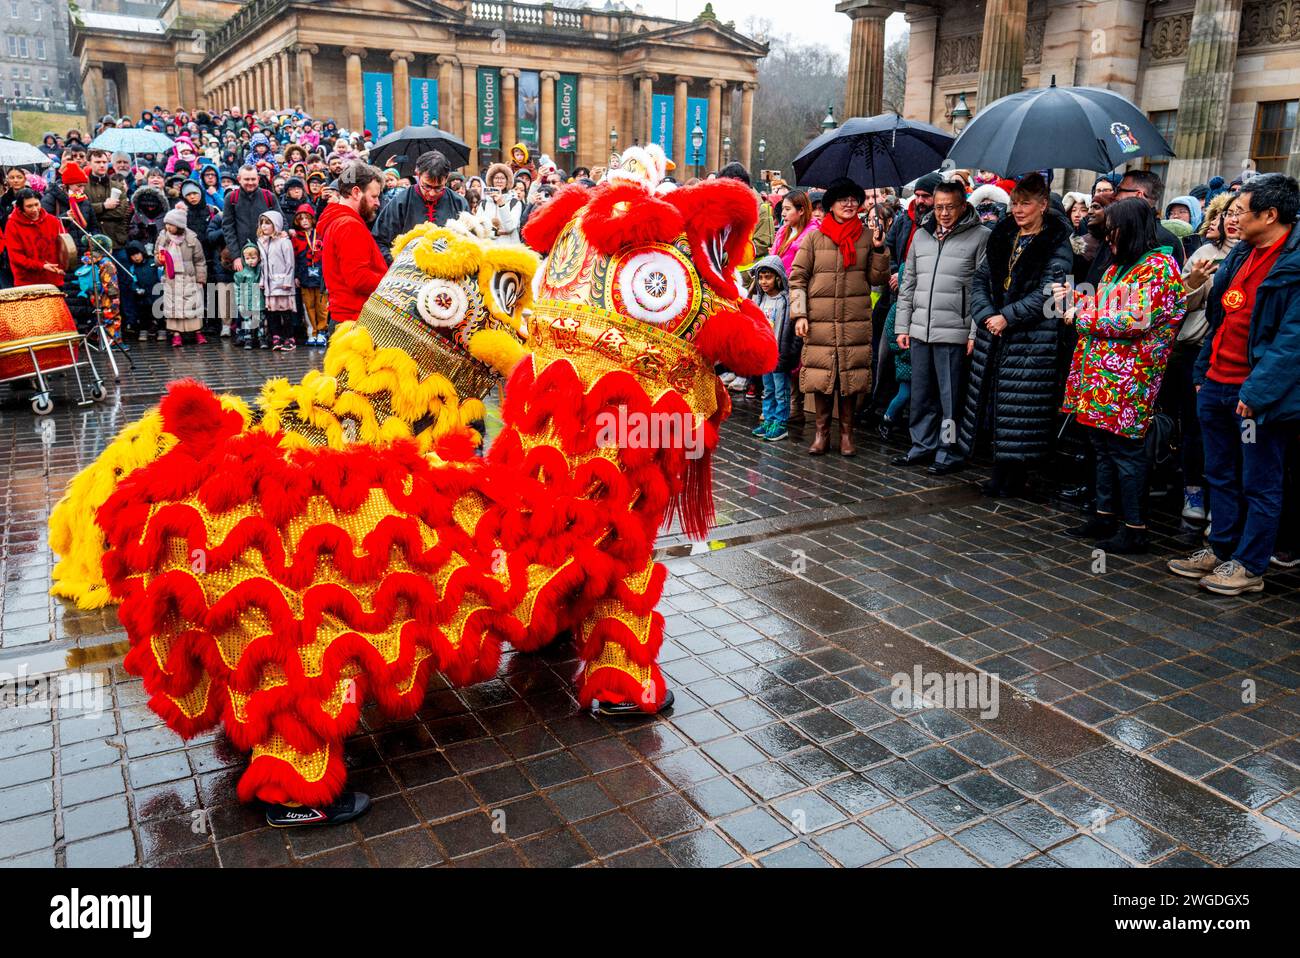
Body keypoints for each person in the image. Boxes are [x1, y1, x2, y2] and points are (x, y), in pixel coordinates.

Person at [1169, 174, 1300, 595]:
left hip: (1257, 395)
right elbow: (1220, 317)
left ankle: (1250, 563)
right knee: (1219, 473)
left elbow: (1291, 341)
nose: (1233, 218)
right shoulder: (1241, 254)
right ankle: (1220, 547)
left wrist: (1256, 393)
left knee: (1260, 480)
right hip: (1215, 382)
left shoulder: (1293, 263)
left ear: (1270, 214)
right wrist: (1202, 372)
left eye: (1241, 210)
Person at [1058, 198, 1186, 554]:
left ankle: (1135, 529)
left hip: (1129, 381)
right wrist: (1074, 300)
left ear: (1129, 228)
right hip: (1098, 378)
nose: (1107, 235)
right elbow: (1099, 307)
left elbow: (1133, 320)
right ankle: (1103, 515)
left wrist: (1080, 317)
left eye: (1112, 228)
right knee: (1101, 448)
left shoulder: (1158, 267)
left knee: (1126, 454)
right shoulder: (1119, 268)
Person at [956, 172, 1074, 497]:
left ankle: (1017, 475)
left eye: (1026, 204)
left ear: (1043, 205)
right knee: (995, 401)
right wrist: (986, 315)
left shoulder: (1056, 242)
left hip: (1031, 338)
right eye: (1016, 203)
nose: (1019, 210)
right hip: (993, 332)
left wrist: (1007, 316)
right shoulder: (1002, 235)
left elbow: (1051, 292)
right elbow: (980, 279)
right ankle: (999, 472)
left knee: (1021, 407)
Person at [893, 180, 989, 474]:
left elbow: (981, 289)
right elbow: (908, 284)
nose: (944, 213)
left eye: (950, 207)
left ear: (963, 206)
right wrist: (902, 326)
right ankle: (921, 445)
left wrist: (974, 332)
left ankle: (948, 451)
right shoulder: (921, 236)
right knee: (921, 395)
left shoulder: (980, 236)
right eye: (938, 207)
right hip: (921, 328)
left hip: (955, 331)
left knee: (951, 400)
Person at [789, 177, 889, 457]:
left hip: (853, 320)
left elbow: (877, 279)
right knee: (822, 377)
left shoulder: (868, 237)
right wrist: (799, 315)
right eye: (843, 199)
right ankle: (821, 433)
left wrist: (880, 249)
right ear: (831, 205)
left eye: (854, 200)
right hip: (819, 320)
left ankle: (847, 433)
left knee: (849, 379)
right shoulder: (814, 237)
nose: (849, 204)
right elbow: (797, 278)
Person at [1167, 192, 1238, 524]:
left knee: (1231, 434)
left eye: (1241, 213)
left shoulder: (1261, 257)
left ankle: (1222, 503)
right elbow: (1178, 302)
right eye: (1229, 213)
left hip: (1236, 356)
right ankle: (1192, 489)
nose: (1235, 219)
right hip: (1194, 351)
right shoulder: (1204, 253)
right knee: (1194, 426)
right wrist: (1194, 281)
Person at [319, 161, 387, 325]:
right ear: (356, 192)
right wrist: (392, 283)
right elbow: (359, 278)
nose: (377, 203)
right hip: (355, 320)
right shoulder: (349, 225)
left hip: (347, 318)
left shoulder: (339, 221)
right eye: (374, 196)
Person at [372, 150, 468, 259]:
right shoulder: (400, 202)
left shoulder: (459, 203)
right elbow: (379, 241)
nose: (432, 193)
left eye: (438, 188)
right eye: (427, 186)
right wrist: (398, 264)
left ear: (446, 178)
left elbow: (470, 243)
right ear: (418, 174)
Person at [747, 254, 797, 441]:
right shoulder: (760, 300)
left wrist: (789, 353)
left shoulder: (785, 300)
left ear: (778, 277)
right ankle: (768, 419)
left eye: (768, 277)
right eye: (761, 277)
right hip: (765, 354)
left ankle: (781, 423)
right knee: (767, 389)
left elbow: (791, 330)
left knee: (780, 389)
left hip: (780, 354)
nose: (763, 281)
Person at [1115, 170, 1187, 268]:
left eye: (1119, 190)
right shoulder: (1120, 229)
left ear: (1138, 195)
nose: (1114, 196)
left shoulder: (1165, 241)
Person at [157, 208, 207, 347]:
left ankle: (197, 332)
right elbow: (156, 257)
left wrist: (200, 278)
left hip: (189, 277)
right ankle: (176, 334)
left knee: (193, 305)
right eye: (166, 224)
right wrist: (160, 259)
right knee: (173, 306)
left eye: (171, 225)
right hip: (171, 278)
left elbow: (199, 260)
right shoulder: (163, 239)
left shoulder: (192, 240)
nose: (167, 227)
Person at [4, 188, 66, 287]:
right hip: (27, 282)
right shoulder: (12, 225)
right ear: (20, 207)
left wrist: (63, 265)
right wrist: (42, 266)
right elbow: (16, 257)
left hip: (53, 278)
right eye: (29, 206)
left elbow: (63, 246)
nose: (35, 209)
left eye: (37, 204)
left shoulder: (53, 220)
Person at [255, 210, 298, 351]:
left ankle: (289, 337)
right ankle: (276, 336)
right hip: (269, 285)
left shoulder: (284, 242)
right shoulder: (261, 242)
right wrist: (262, 280)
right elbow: (263, 265)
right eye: (262, 223)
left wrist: (287, 281)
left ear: (276, 224)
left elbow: (290, 263)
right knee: (272, 312)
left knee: (285, 312)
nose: (264, 226)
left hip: (282, 284)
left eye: (268, 223)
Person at [222, 165, 277, 271]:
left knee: (265, 286)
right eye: (246, 179)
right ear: (239, 179)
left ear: (258, 179)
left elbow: (280, 221)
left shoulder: (269, 196)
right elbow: (228, 228)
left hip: (266, 253)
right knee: (245, 286)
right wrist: (236, 256)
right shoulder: (231, 198)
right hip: (243, 255)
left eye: (253, 179)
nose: (250, 182)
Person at [292, 204, 329, 345]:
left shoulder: (320, 234)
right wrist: (296, 275)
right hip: (304, 277)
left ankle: (322, 331)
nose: (305, 221)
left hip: (320, 278)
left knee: (322, 306)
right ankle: (312, 332)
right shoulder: (296, 238)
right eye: (301, 219)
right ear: (298, 221)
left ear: (312, 219)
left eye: (307, 218)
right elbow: (294, 258)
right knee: (308, 306)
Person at [85, 149, 131, 251]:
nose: (102, 165)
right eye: (97, 162)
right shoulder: (83, 187)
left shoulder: (118, 186)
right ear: (89, 164)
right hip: (92, 241)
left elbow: (121, 212)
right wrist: (103, 206)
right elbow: (83, 211)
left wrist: (95, 213)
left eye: (104, 162)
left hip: (116, 241)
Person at [480, 162, 523, 243]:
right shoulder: (483, 203)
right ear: (492, 180)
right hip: (489, 250)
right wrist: (496, 233)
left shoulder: (515, 203)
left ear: (507, 181)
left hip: (509, 251)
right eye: (496, 178)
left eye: (502, 178)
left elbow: (510, 228)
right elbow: (480, 229)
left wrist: (501, 204)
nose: (499, 181)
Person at [234, 241, 266, 348]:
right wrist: (239, 303)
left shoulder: (260, 271)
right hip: (246, 301)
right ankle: (248, 338)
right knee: (247, 321)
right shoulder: (240, 274)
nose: (250, 261)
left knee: (259, 320)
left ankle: (261, 338)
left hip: (258, 301)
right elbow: (237, 289)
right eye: (247, 259)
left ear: (258, 258)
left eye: (253, 258)